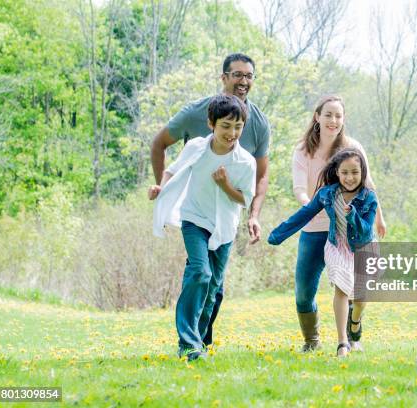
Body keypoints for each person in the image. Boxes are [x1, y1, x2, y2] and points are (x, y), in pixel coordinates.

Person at [149, 53, 270, 347]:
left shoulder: (253, 139)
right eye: (237, 75)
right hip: (195, 217)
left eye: (249, 76)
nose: (244, 81)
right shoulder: (196, 130)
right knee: (199, 272)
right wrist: (161, 191)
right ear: (224, 77)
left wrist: (253, 215)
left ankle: (202, 340)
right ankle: (188, 343)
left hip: (226, 223)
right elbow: (168, 159)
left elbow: (257, 182)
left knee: (215, 287)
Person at [289, 95, 386, 353]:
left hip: (347, 230)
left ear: (343, 120)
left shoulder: (352, 147)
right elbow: (299, 187)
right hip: (313, 228)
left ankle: (351, 332)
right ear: (317, 117)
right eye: (328, 114)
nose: (333, 120)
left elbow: (368, 183)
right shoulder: (302, 150)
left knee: (352, 288)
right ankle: (311, 341)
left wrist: (379, 217)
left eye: (338, 116)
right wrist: (313, 204)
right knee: (303, 292)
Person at [269, 148, 377, 357]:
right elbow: (305, 214)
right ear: (337, 172)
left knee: (361, 298)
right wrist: (278, 234)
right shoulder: (327, 194)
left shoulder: (369, 198)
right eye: (344, 172)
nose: (350, 177)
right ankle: (342, 343)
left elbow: (365, 232)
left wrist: (352, 215)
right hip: (338, 246)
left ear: (362, 172)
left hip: (364, 247)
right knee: (342, 290)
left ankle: (354, 323)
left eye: (355, 172)